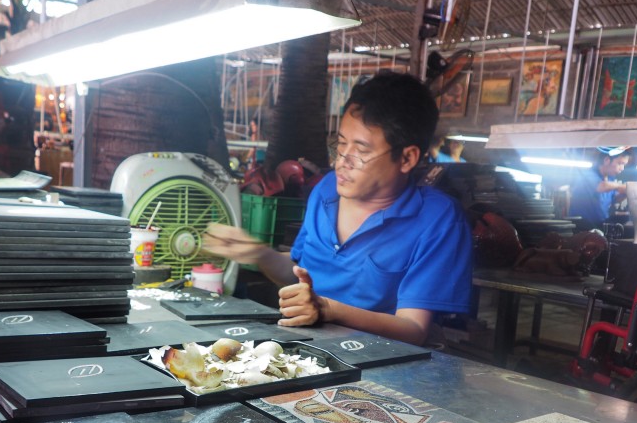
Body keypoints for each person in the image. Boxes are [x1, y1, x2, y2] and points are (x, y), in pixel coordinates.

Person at [203, 72, 473, 346]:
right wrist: (259, 253)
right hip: (313, 353)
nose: (341, 163)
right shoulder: (327, 190)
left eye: (361, 151)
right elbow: (299, 272)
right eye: (341, 144)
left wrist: (329, 310)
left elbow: (414, 328)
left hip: (387, 367)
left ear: (407, 158)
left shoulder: (438, 221)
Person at [568, 149, 631, 231]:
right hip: (581, 226)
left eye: (624, 165)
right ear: (607, 160)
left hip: (599, 225)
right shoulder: (587, 174)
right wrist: (622, 186)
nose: (622, 168)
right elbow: (601, 187)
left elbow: (614, 199)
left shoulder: (610, 180)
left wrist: (627, 193)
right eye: (620, 163)